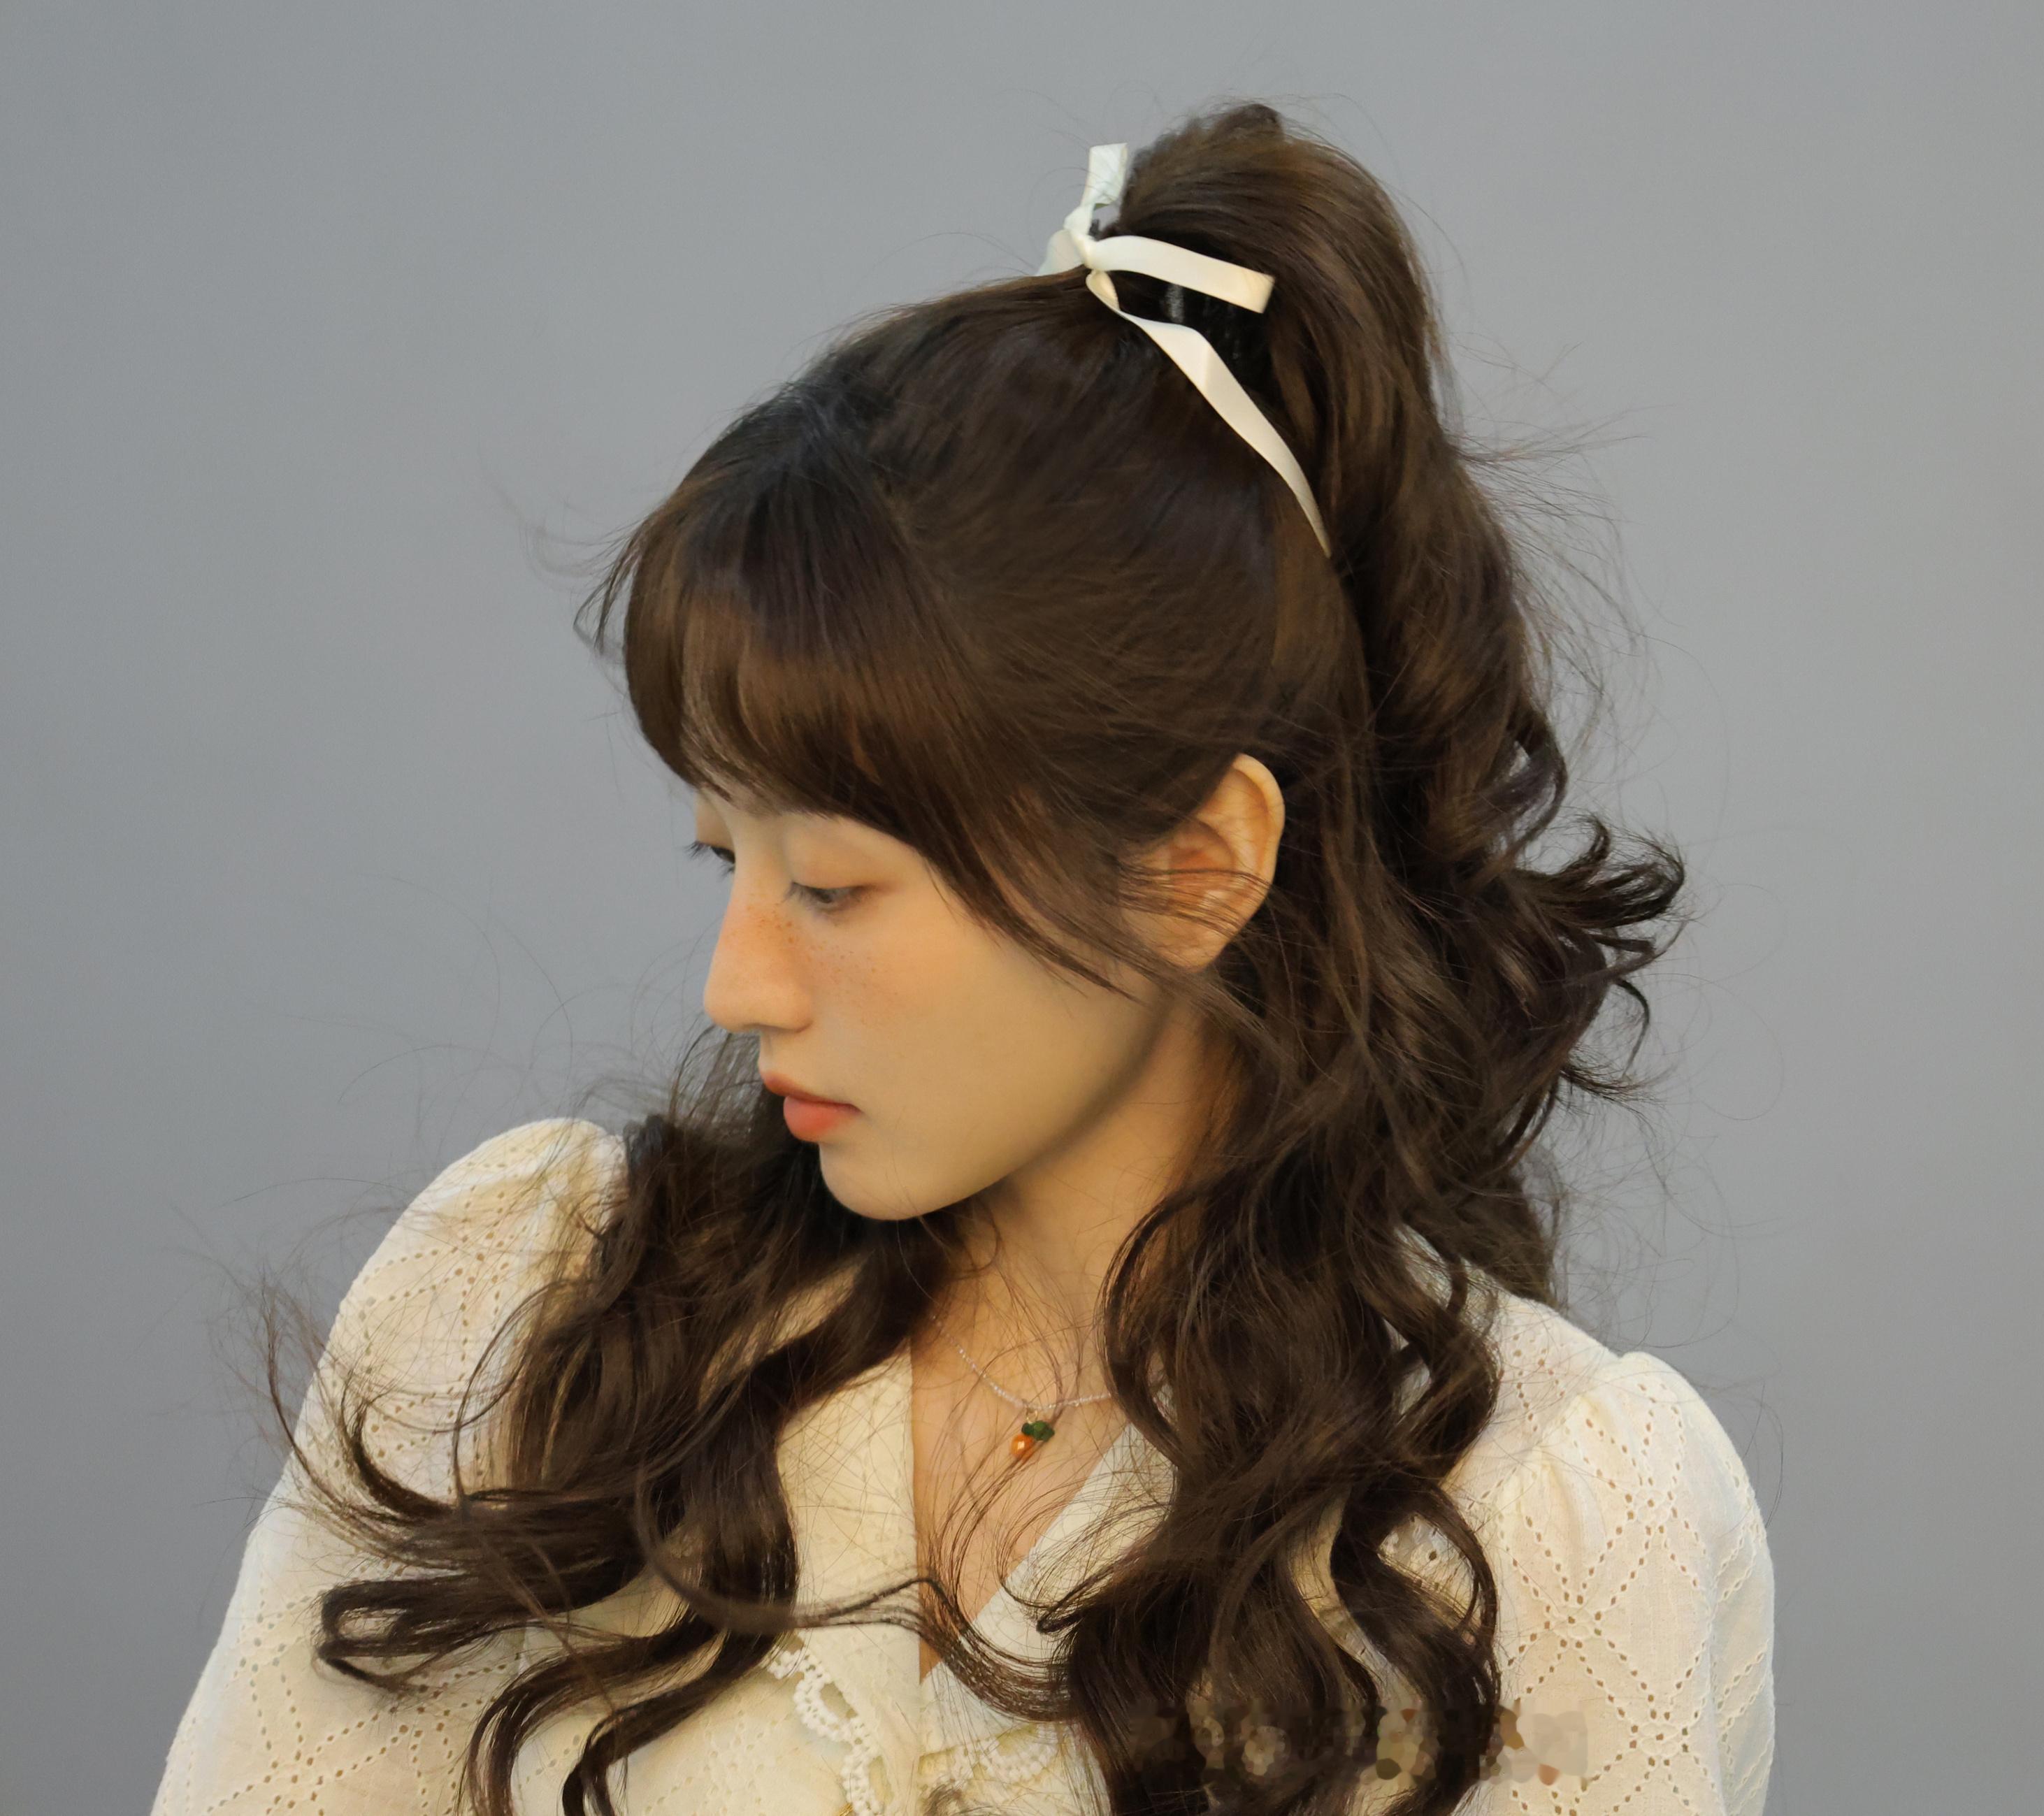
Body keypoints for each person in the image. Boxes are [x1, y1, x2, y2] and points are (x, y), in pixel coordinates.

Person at [152, 100, 1776, 1816]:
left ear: (1198, 868)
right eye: (723, 861)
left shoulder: (1537, 1515)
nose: (735, 985)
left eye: (833, 887)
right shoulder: (537, 1311)